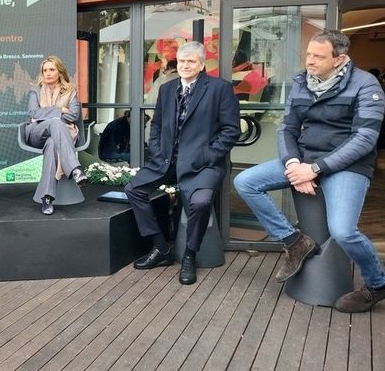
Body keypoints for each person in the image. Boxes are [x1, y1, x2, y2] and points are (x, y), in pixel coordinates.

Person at [234, 30, 385, 313]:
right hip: (303, 160)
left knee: (343, 231)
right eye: (308, 54)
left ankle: (377, 284)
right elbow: (287, 128)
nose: (310, 61)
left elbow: (365, 139)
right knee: (245, 181)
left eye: (318, 56)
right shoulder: (301, 81)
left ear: (339, 59)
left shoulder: (366, 84)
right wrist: (293, 164)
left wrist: (314, 169)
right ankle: (294, 241)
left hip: (347, 166)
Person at [125, 41, 240, 285]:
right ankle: (160, 248)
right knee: (134, 190)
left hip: (203, 164)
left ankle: (189, 254)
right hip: (167, 161)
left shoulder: (219, 88)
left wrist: (207, 156)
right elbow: (156, 125)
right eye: (181, 61)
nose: (185, 65)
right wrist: (157, 151)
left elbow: (231, 131)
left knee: (200, 202)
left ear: (202, 64)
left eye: (191, 61)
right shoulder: (167, 89)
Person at [25, 55, 88, 215]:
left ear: (59, 71)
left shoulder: (70, 91)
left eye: (51, 69)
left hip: (60, 135)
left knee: (53, 142)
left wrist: (48, 114)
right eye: (45, 70)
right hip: (37, 132)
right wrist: (60, 110)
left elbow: (74, 115)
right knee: (55, 123)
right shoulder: (36, 90)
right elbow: (34, 113)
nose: (47, 73)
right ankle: (75, 168)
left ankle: (47, 198)